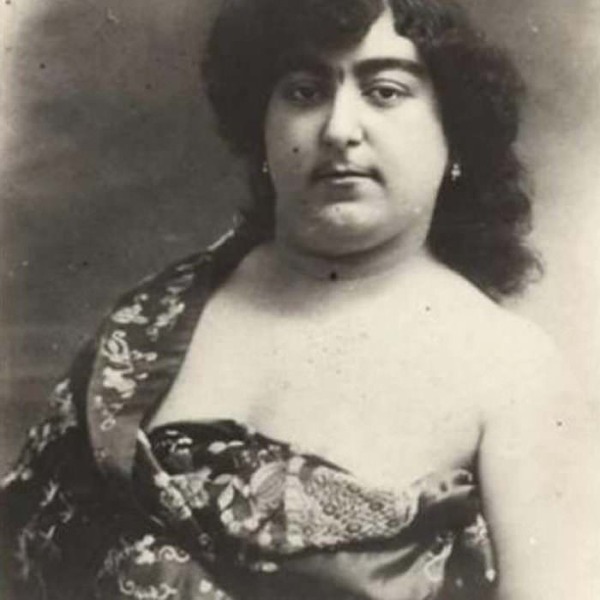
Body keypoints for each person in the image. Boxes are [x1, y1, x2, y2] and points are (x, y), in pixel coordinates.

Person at [1, 0, 597, 598]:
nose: (339, 129)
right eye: (305, 92)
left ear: (455, 135)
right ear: (262, 129)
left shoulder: (513, 374)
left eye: (385, 92)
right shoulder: (153, 322)